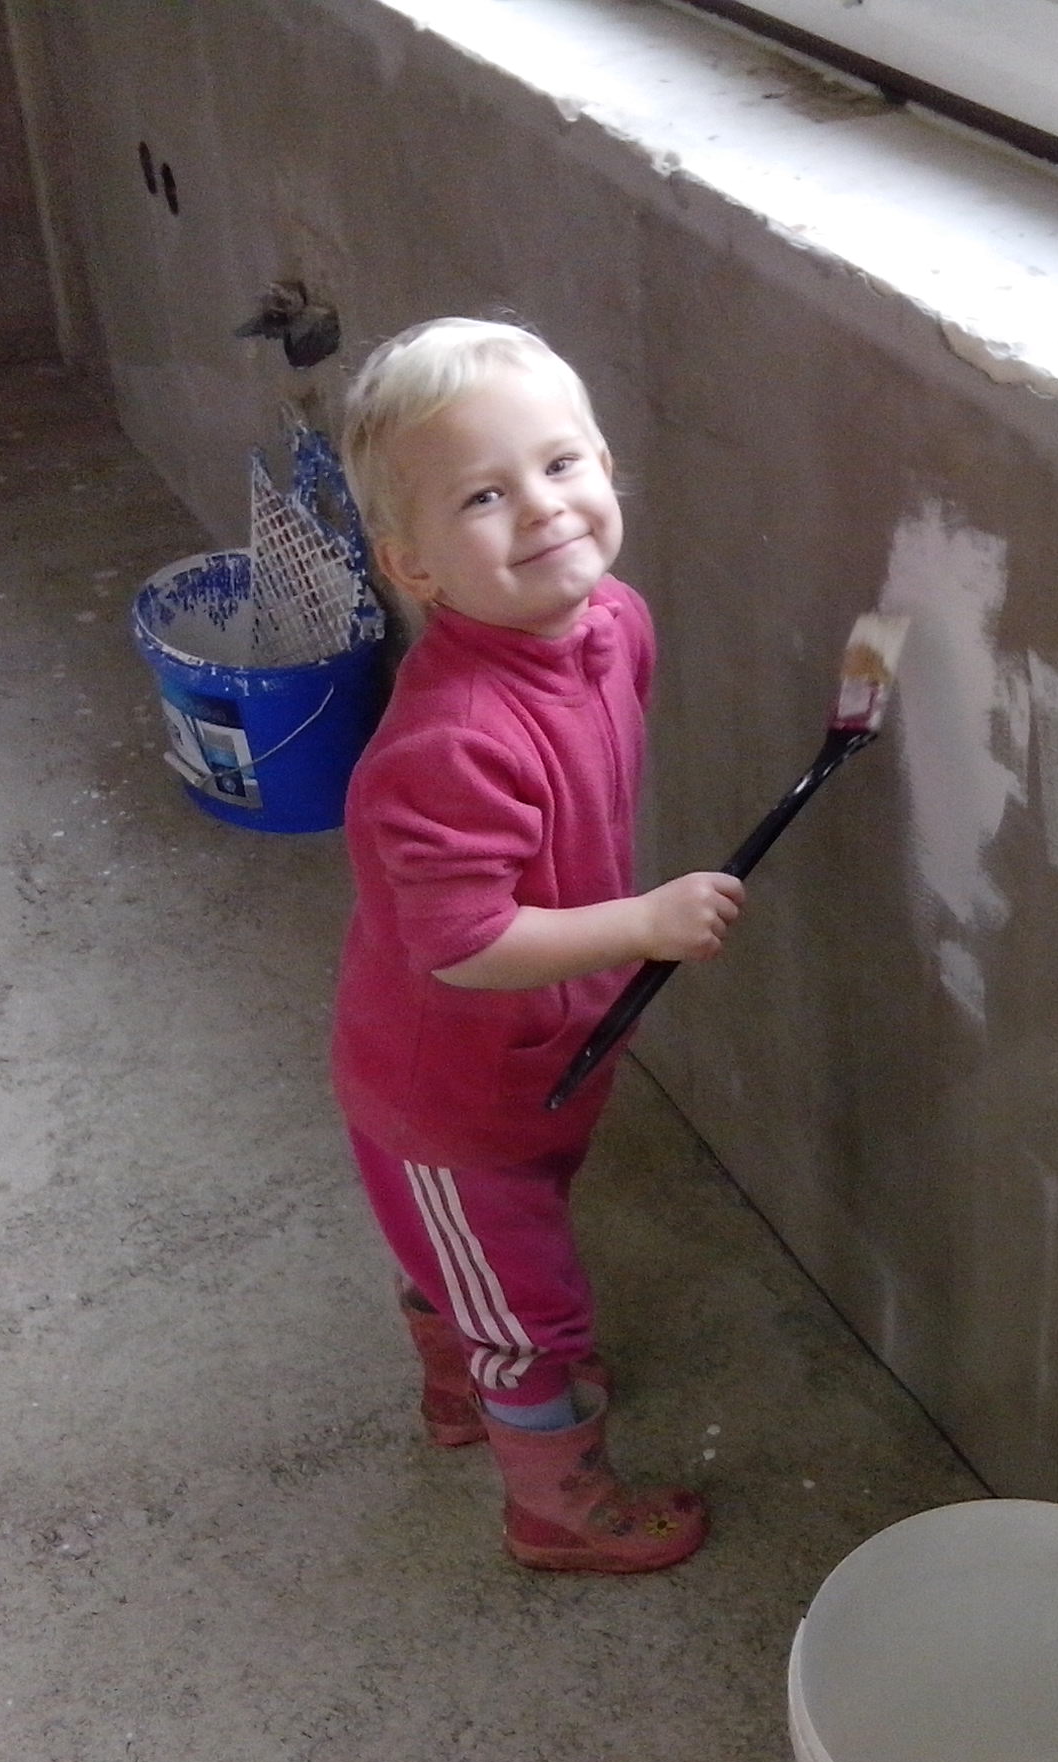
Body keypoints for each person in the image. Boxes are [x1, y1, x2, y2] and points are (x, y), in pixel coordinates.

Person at [332, 318, 742, 1573]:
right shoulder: (451, 742)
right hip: (446, 1095)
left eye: (561, 464)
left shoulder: (614, 623)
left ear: (606, 466)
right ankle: (553, 1509)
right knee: (529, 1311)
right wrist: (643, 923)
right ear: (413, 565)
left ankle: (463, 1387)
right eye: (483, 496)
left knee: (490, 1253)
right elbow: (464, 944)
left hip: (541, 1048)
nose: (543, 506)